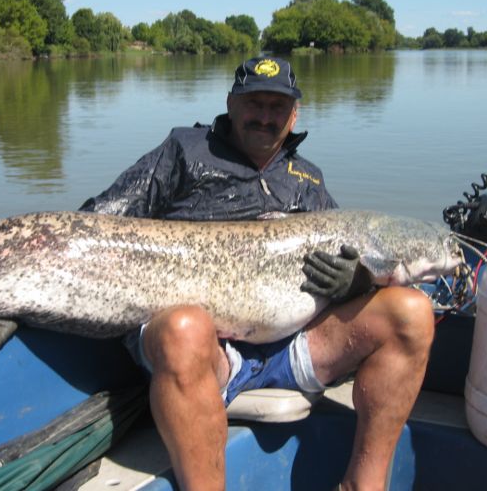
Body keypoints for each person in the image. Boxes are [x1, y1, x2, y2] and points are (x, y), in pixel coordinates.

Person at [79, 57, 434, 491]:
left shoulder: (307, 180)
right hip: (205, 352)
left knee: (413, 311)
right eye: (254, 103)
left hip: (294, 344)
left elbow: (350, 255)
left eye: (277, 106)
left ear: (294, 115)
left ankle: (362, 485)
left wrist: (357, 281)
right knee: (183, 327)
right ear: (231, 103)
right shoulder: (184, 151)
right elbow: (95, 223)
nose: (265, 116)